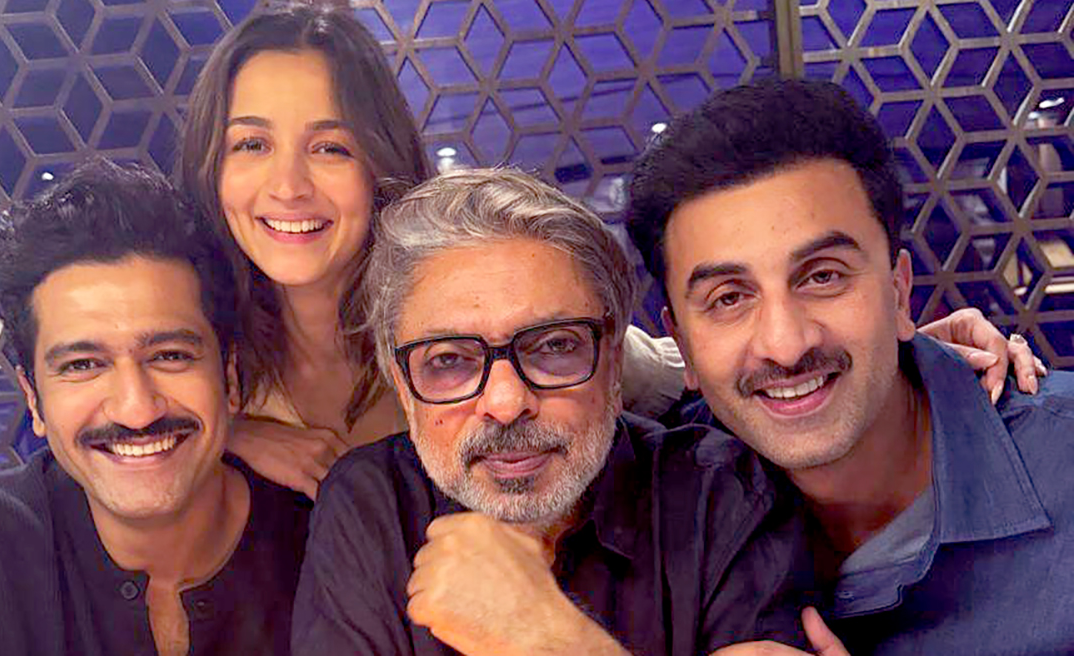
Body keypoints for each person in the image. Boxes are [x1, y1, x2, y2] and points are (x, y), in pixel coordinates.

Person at [180, 3, 1036, 499]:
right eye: (251, 144)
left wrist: (909, 358)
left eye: (330, 146)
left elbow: (697, 368)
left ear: (378, 162)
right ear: (212, 163)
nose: (287, 185)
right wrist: (228, 434)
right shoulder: (201, 362)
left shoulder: (498, 321)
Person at [292, 167, 838, 655]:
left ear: (614, 361)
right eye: (449, 360)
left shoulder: (722, 495)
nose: (506, 403)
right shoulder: (371, 502)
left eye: (554, 346)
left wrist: (549, 640)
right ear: (402, 384)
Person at [627, 78, 1074, 654]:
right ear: (682, 345)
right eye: (729, 298)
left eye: (823, 276)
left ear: (899, 291)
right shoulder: (661, 510)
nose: (785, 345)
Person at [0, 159, 311, 656]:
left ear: (228, 376)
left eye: (170, 356)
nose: (136, 410)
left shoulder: (325, 544)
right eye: (83, 365)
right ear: (33, 398)